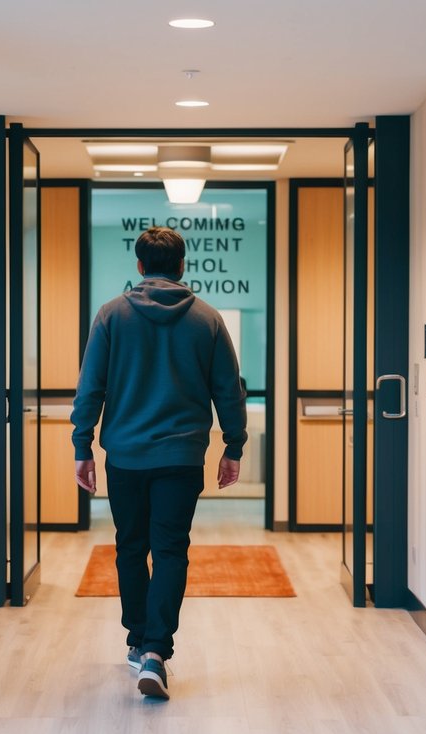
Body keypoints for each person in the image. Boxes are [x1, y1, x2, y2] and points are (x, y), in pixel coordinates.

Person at [71, 226, 248, 700]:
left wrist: (81, 446)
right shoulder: (207, 320)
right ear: (183, 266)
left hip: (125, 457)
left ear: (140, 266)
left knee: (130, 547)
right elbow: (228, 390)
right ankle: (155, 650)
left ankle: (137, 639)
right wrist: (234, 445)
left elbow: (91, 387)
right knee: (170, 549)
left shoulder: (111, 315)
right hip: (181, 456)